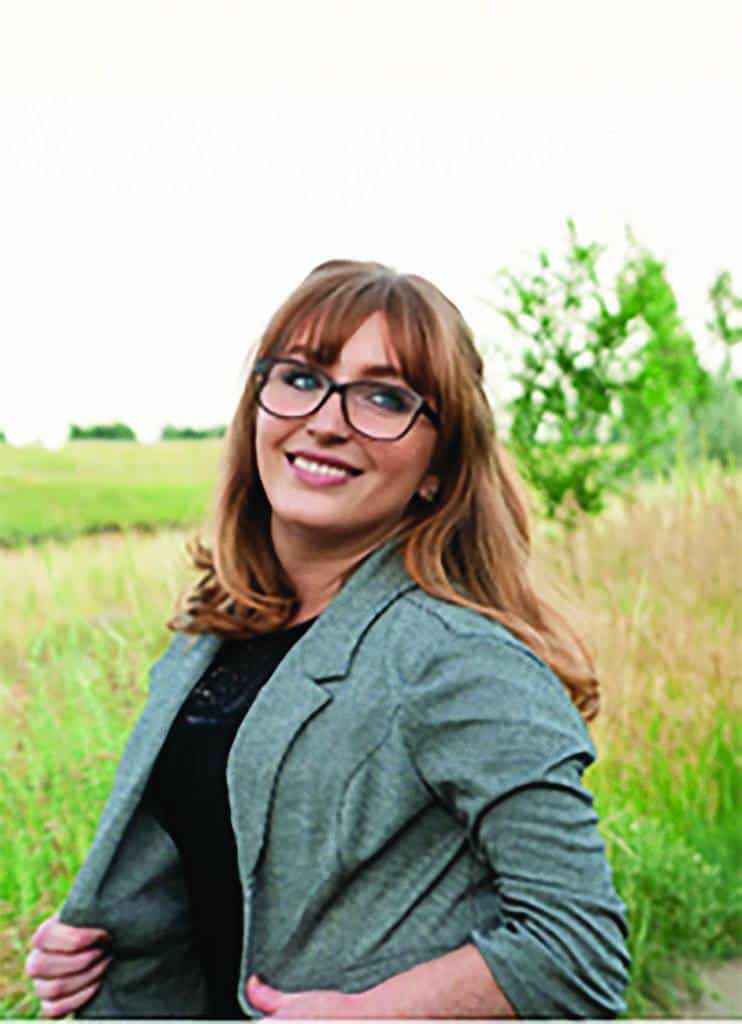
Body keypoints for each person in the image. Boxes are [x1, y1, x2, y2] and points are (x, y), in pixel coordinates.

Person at [26, 259, 630, 1019]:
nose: (327, 420)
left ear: (438, 468)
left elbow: (579, 951)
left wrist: (367, 1015)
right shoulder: (213, 633)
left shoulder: (460, 659)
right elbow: (219, 872)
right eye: (302, 377)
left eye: (385, 397)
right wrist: (105, 945)